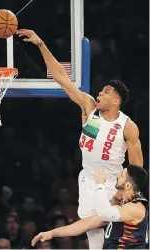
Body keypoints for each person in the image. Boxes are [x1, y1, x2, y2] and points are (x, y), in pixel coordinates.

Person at [16, 29, 143, 249]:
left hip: (113, 182)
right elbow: (61, 78)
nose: (99, 94)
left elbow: (137, 167)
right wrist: (40, 44)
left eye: (105, 92)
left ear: (116, 101)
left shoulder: (128, 126)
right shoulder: (89, 107)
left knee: (108, 230)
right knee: (91, 230)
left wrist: (129, 192)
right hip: (86, 179)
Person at [31, 165, 148, 249]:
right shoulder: (123, 205)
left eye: (122, 175)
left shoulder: (136, 208)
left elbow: (104, 213)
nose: (118, 175)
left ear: (128, 185)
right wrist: (51, 233)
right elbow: (86, 224)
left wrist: (100, 184)